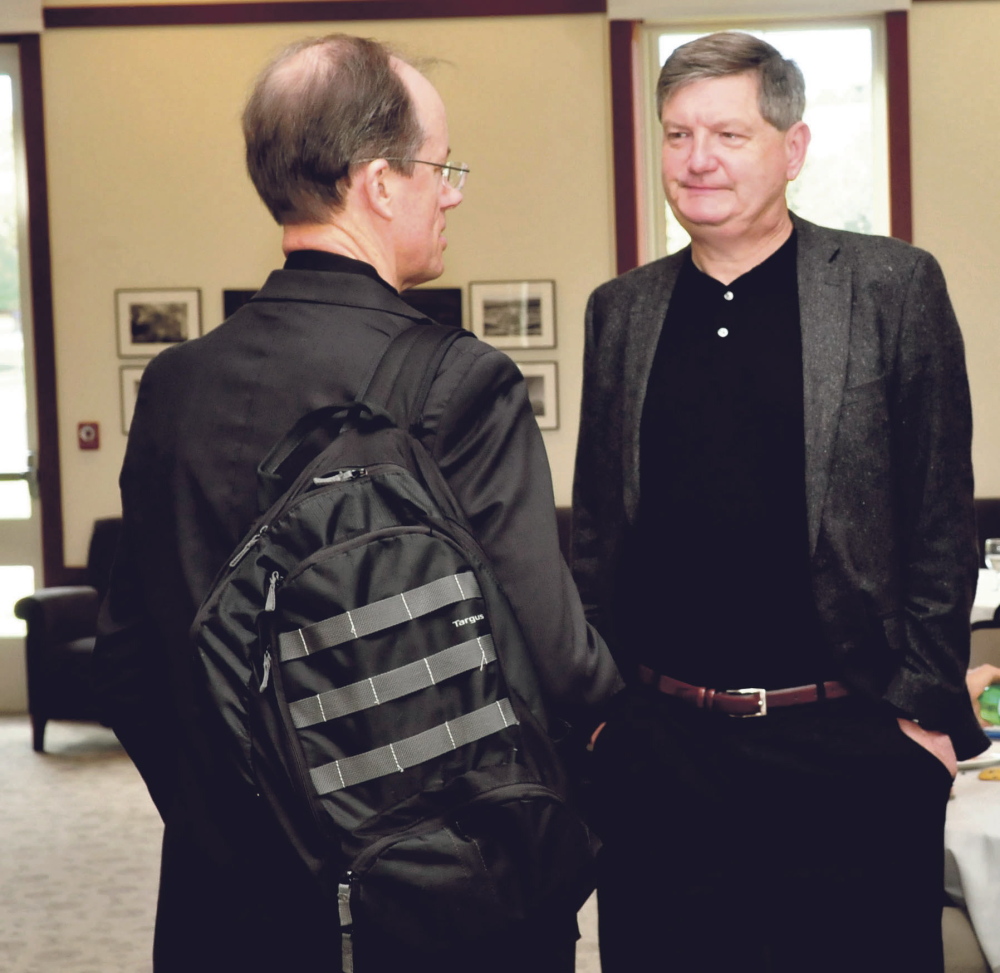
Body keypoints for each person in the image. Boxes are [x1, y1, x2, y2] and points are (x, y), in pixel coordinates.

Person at [93, 34, 619, 973]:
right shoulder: (460, 382)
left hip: (224, 904)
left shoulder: (173, 383)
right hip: (428, 901)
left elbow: (130, 660)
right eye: (439, 167)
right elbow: (553, 657)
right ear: (379, 182)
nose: (452, 190)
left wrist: (233, 813)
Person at [572, 30, 989, 973]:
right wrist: (599, 721)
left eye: (727, 133)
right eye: (677, 135)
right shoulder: (621, 311)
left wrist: (921, 722)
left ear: (792, 149)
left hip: (850, 746)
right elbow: (597, 532)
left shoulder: (890, 287)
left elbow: (937, 513)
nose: (698, 160)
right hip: (662, 752)